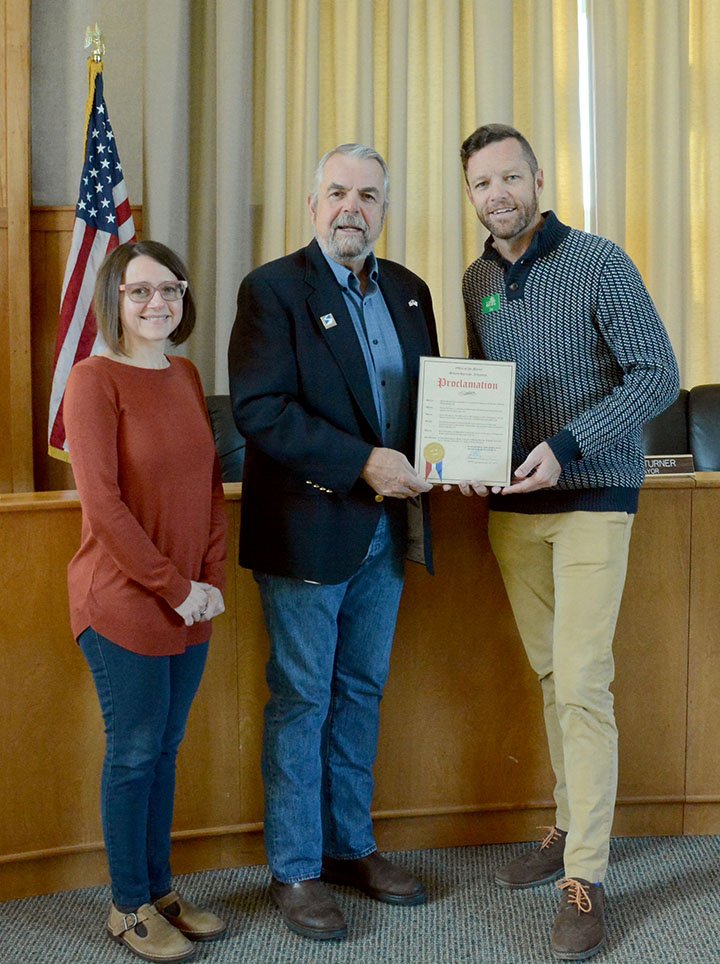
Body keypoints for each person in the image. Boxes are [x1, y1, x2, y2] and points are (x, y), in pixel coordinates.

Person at [458, 124, 679, 961]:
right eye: (483, 184)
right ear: (472, 194)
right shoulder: (477, 278)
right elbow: (484, 388)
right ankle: (567, 822)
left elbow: (656, 371)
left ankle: (584, 874)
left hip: (593, 497)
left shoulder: (599, 260)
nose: (499, 194)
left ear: (538, 179)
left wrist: (569, 447)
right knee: (554, 677)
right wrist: (471, 455)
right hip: (513, 512)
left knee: (584, 682)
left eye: (511, 177)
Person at [228, 143, 438, 941]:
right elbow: (262, 410)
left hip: (388, 533)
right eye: (339, 193)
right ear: (313, 201)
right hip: (309, 535)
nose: (354, 207)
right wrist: (363, 464)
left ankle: (351, 846)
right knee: (303, 699)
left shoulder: (411, 293)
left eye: (370, 196)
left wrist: (453, 453)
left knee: (360, 694)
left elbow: (431, 405)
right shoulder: (273, 290)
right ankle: (296, 867)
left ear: (385, 207)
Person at [64, 241, 228, 963]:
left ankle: (162, 891)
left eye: (170, 288)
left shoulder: (187, 375)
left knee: (165, 751)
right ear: (115, 300)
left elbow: (208, 488)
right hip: (124, 600)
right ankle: (127, 905)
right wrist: (175, 586)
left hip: (192, 602)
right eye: (140, 292)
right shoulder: (93, 381)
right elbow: (103, 506)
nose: (157, 303)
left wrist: (210, 580)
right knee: (133, 754)